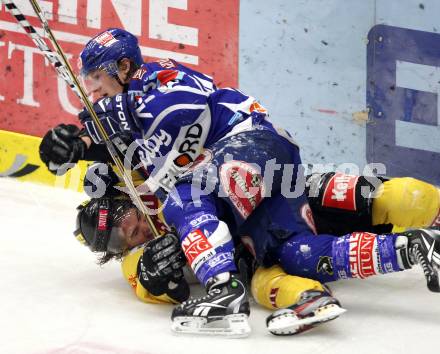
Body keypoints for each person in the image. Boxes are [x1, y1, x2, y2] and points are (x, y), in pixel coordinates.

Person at [38, 28, 440, 337]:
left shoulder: (151, 90)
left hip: (253, 155)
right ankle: (415, 248)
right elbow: (144, 281)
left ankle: (223, 293)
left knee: (369, 195)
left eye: (123, 222)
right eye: (119, 241)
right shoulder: (139, 247)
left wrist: (91, 134)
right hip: (253, 218)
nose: (132, 232)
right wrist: (74, 143)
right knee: (297, 255)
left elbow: (181, 107)